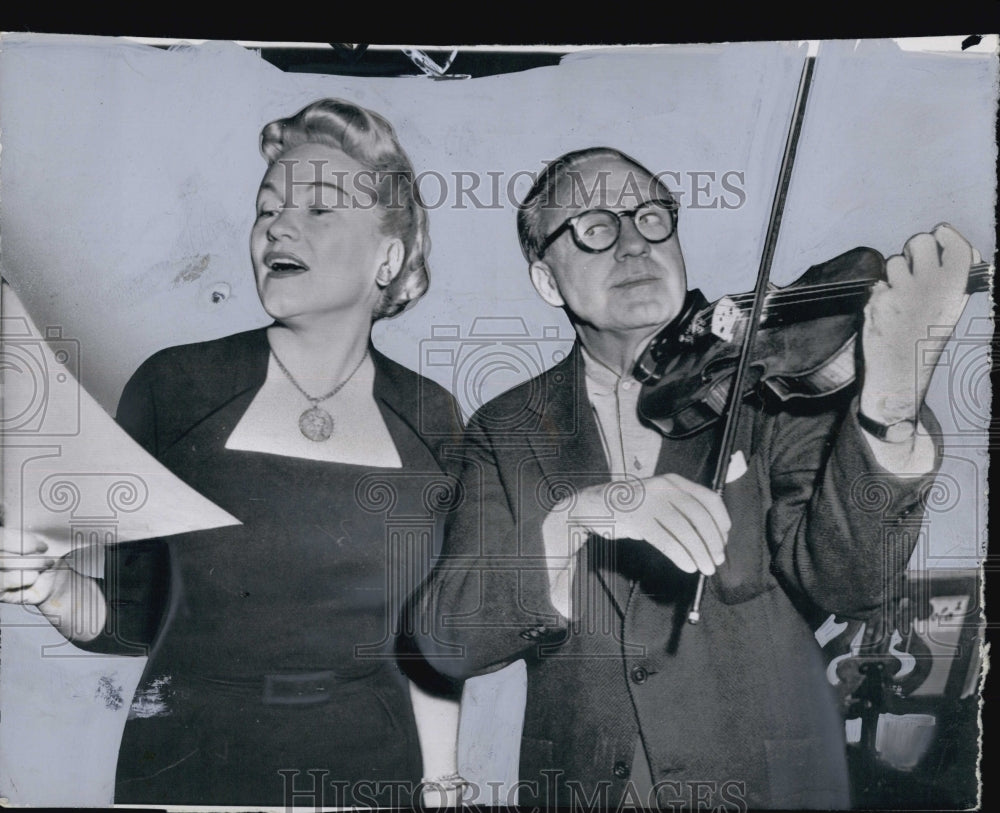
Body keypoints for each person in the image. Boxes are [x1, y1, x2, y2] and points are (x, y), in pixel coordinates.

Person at [415, 147, 978, 809]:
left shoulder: (770, 385)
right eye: (596, 228)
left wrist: (889, 407)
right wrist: (576, 516)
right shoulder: (506, 429)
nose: (633, 243)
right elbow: (447, 638)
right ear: (545, 277)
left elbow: (851, 582)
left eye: (651, 216)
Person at [0, 98, 464, 808]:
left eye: (318, 209)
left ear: (388, 257)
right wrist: (52, 590)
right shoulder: (175, 385)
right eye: (267, 206)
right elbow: (131, 614)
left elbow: (431, 645)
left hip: (370, 772)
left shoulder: (432, 414)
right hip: (189, 767)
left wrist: (441, 787)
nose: (278, 223)